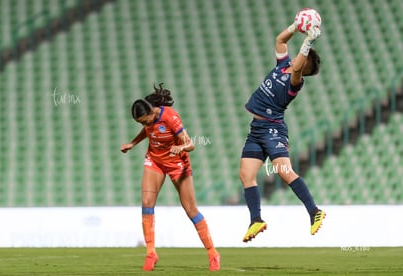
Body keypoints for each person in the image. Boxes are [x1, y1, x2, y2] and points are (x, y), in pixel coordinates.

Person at [239, 21, 326, 242]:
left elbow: (297, 69)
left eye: (302, 55)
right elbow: (280, 40)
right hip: (256, 130)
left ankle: (314, 211)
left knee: (285, 172)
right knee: (246, 175)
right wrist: (296, 25)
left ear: (304, 62)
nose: (297, 56)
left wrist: (308, 41)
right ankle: (256, 220)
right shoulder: (282, 64)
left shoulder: (296, 81)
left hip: (273, 131)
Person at [120, 83, 220, 271]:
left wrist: (180, 147)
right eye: (141, 123)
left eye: (145, 121)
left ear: (151, 112)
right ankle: (151, 253)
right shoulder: (149, 121)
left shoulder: (170, 117)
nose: (145, 125)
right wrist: (133, 143)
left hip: (177, 164)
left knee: (190, 210)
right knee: (147, 203)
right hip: (155, 161)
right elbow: (147, 131)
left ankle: (213, 253)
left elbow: (190, 144)